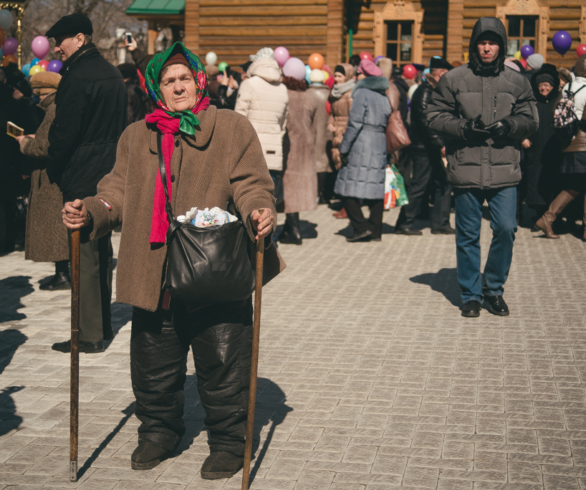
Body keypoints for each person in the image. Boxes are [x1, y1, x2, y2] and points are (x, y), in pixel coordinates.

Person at [61, 42, 283, 477]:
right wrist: (90, 210)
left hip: (212, 268)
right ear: (155, 89)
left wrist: (259, 208)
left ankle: (227, 440)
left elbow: (253, 182)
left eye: (184, 78)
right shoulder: (135, 136)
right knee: (153, 362)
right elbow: (116, 192)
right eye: (168, 81)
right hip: (153, 269)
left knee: (223, 361)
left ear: (199, 81)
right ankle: (159, 432)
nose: (177, 86)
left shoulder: (232, 128)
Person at [428, 17, 538, 317]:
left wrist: (511, 125)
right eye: (482, 42)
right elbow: (434, 115)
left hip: (505, 169)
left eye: (493, 43)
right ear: (474, 45)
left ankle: (493, 289)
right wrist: (463, 128)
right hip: (466, 166)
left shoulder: (517, 81)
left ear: (501, 46)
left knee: (505, 228)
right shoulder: (454, 79)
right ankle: (471, 295)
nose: (487, 48)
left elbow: (532, 118)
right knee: (467, 234)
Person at [45, 13, 127, 353]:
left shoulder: (76, 77)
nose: (56, 48)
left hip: (81, 170)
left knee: (84, 252)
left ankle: (89, 334)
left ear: (80, 38)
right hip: (109, 170)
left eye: (60, 41)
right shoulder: (111, 73)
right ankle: (102, 324)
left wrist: (53, 163)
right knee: (101, 248)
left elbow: (63, 133)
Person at [15, 71, 70, 290]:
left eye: (38, 93)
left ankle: (62, 274)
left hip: (49, 180)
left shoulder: (53, 110)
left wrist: (24, 143)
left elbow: (43, 147)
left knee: (55, 229)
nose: (36, 98)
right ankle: (62, 272)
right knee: (56, 227)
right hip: (55, 178)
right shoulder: (60, 107)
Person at [395, 58, 455, 236]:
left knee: (443, 183)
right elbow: (426, 123)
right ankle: (404, 223)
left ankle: (440, 223)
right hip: (423, 148)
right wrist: (441, 145)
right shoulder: (424, 92)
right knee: (419, 185)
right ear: (439, 74)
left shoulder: (435, 91)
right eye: (446, 75)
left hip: (432, 147)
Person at [334, 59, 391, 242]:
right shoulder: (383, 95)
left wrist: (344, 147)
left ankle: (361, 227)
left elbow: (355, 123)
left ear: (364, 76)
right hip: (379, 141)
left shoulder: (361, 93)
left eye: (359, 73)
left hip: (361, 143)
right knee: (375, 189)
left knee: (346, 187)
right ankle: (376, 231)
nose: (357, 76)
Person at [535, 55, 586, 241]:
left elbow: (554, 111)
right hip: (584, 143)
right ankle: (549, 218)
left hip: (569, 144)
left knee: (577, 186)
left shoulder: (567, 88)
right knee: (578, 185)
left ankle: (547, 218)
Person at [235, 54, 288, 206]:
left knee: (248, 201)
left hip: (250, 150)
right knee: (269, 202)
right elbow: (283, 124)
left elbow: (239, 121)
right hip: (273, 151)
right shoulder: (283, 89)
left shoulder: (248, 84)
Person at [278, 75, 318, 245]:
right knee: (295, 187)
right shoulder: (309, 97)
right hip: (306, 145)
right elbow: (313, 126)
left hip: (289, 144)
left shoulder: (283, 94)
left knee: (289, 188)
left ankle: (294, 232)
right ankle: (290, 226)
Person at [521, 64, 561, 226]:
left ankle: (552, 218)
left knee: (553, 182)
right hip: (535, 149)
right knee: (535, 182)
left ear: (553, 86)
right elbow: (523, 122)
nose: (543, 88)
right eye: (541, 85)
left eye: (547, 85)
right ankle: (537, 217)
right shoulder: (532, 102)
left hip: (554, 149)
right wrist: (523, 138)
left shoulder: (558, 101)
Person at [328, 63, 355, 219]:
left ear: (347, 77)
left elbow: (353, 118)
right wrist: (330, 123)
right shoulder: (335, 93)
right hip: (335, 135)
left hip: (344, 136)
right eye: (335, 76)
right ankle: (345, 203)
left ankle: (348, 207)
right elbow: (332, 113)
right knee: (339, 169)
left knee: (345, 171)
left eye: (340, 76)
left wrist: (339, 130)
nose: (336, 79)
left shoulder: (350, 94)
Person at [307, 69, 332, 204]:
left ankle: (315, 193)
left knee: (314, 163)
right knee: (324, 162)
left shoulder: (307, 94)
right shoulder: (329, 94)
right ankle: (323, 194)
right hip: (326, 133)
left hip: (312, 133)